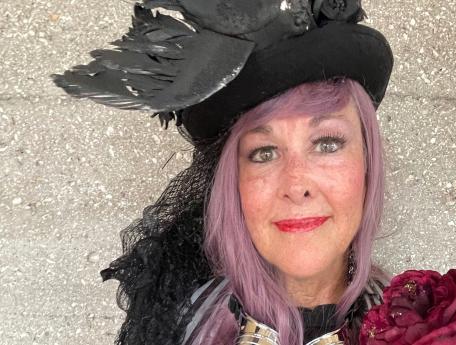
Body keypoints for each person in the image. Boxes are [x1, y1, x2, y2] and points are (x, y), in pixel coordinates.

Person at [52, 1, 394, 344]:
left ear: (368, 164)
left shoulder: (426, 323)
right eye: (264, 152)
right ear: (233, 182)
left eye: (327, 144)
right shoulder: (174, 328)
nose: (296, 183)